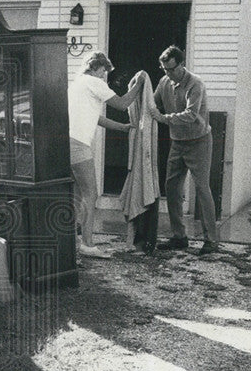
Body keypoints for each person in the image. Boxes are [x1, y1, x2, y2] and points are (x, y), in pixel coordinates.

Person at [148, 45, 220, 256]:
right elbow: (153, 103)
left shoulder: (195, 84)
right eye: (164, 70)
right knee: (171, 188)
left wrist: (164, 118)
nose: (168, 74)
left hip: (199, 141)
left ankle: (211, 240)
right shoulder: (164, 82)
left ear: (181, 65)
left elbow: (190, 114)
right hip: (177, 142)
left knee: (202, 189)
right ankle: (179, 237)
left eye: (171, 69)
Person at [68, 51, 140, 258]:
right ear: (97, 68)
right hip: (79, 145)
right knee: (92, 193)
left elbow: (96, 118)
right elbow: (123, 103)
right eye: (104, 72)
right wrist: (140, 82)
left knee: (76, 194)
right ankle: (88, 244)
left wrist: (122, 127)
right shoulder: (94, 81)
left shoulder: (77, 83)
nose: (104, 76)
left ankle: (72, 242)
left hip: (64, 143)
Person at [118, 70, 160, 254]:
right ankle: (135, 240)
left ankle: (137, 241)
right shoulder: (138, 125)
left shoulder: (145, 125)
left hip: (144, 151)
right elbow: (121, 103)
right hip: (140, 149)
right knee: (139, 188)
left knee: (143, 187)